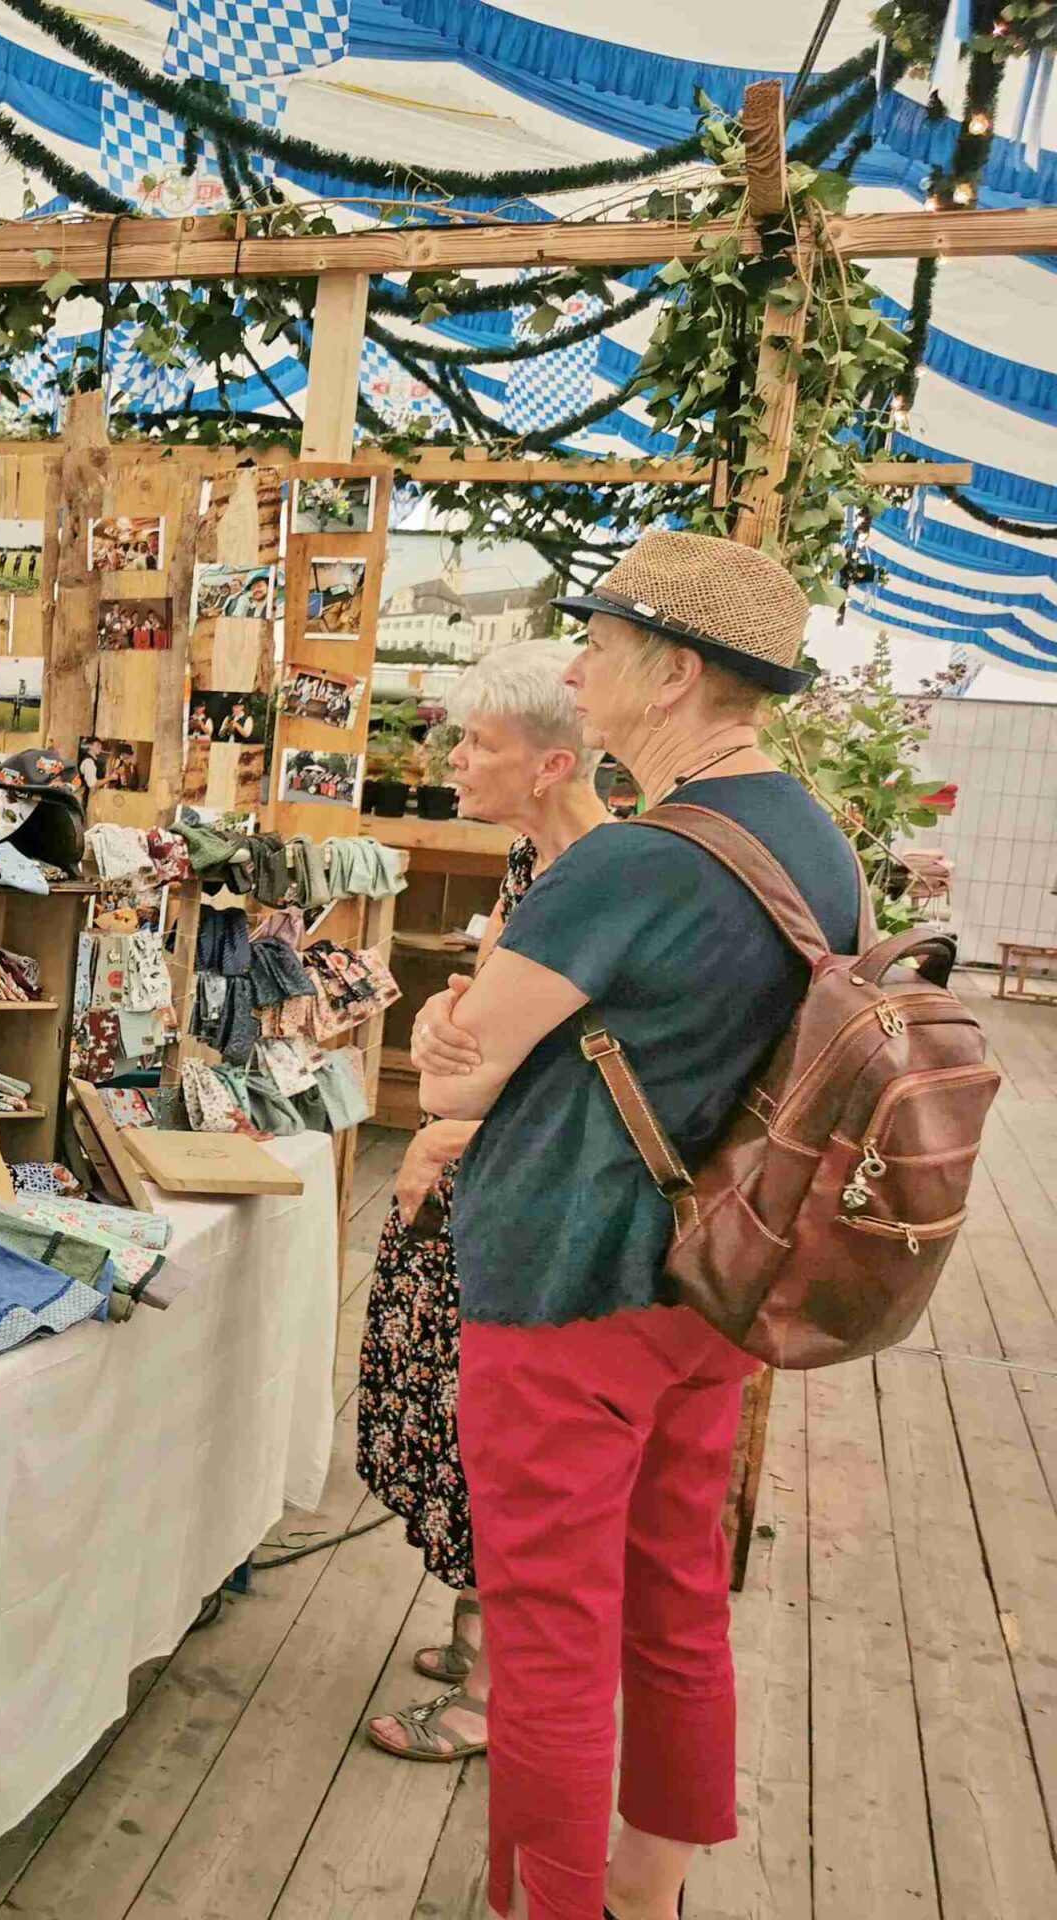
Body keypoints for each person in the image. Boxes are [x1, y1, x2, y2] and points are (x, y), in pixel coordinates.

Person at [412, 530, 857, 1920]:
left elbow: (460, 1073)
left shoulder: (625, 864)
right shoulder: (815, 842)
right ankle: (645, 1894)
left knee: (548, 1641)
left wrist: (443, 1026)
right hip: (709, 1283)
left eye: (597, 646)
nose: (575, 670)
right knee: (674, 1605)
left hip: (564, 1288)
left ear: (672, 675)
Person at [355, 641, 610, 1768]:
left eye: (476, 743)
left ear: (550, 764)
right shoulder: (531, 864)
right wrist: (438, 1036)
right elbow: (459, 1020)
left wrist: (452, 1108)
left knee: (499, 1439)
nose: (450, 761)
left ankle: (495, 1697)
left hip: (524, 1195)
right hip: (479, 1180)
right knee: (457, 1420)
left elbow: (505, 1064)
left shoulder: (595, 880)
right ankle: (475, 1630)